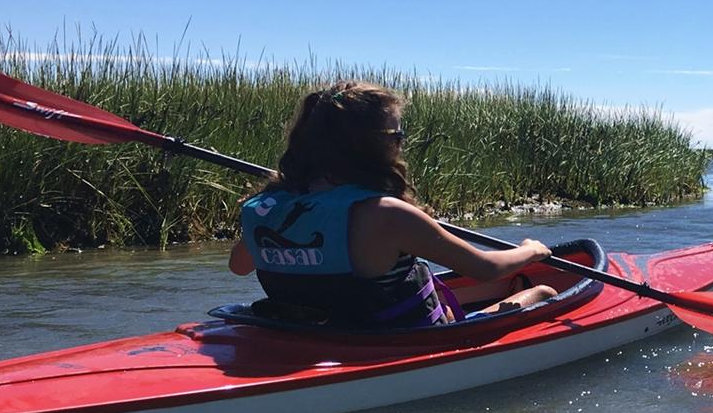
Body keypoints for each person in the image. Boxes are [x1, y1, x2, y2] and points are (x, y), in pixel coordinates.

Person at [228, 81, 555, 328]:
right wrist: (532, 250)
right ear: (371, 146)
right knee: (544, 292)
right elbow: (486, 269)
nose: (401, 144)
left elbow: (239, 266)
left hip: (309, 331)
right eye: (398, 135)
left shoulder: (266, 207)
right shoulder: (387, 214)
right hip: (390, 338)